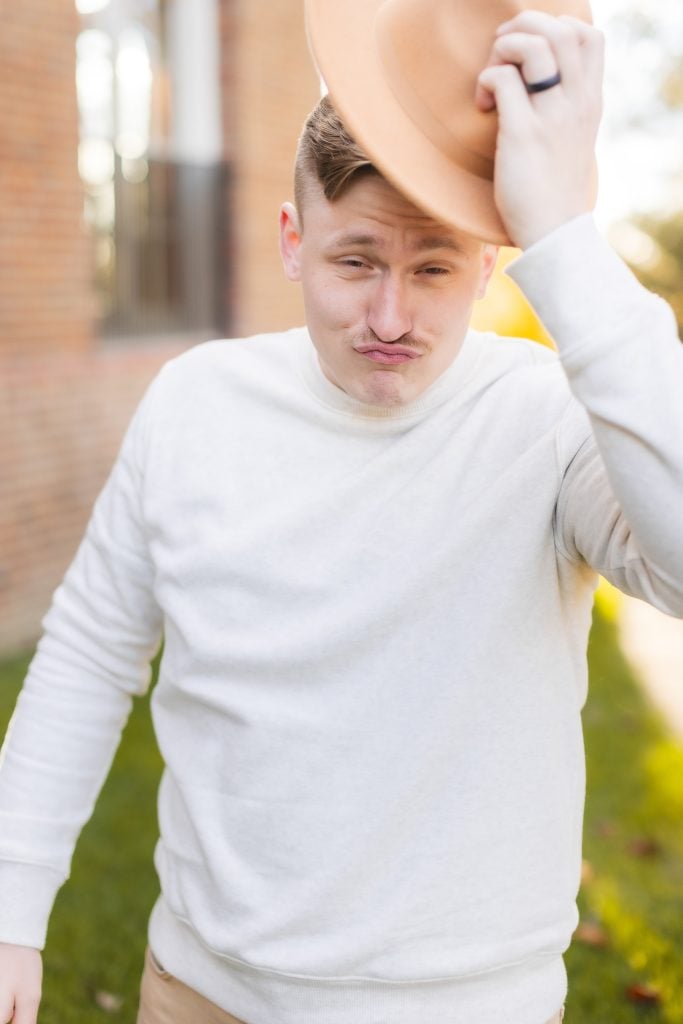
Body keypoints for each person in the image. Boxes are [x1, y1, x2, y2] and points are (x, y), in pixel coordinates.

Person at [1, 3, 682, 1023]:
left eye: (434, 267)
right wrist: (10, 905)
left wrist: (564, 237)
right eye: (356, 261)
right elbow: (91, 656)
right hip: (201, 991)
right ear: (292, 240)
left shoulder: (544, 416)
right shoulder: (195, 403)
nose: (391, 317)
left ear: (492, 265)